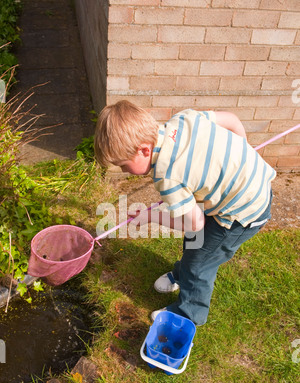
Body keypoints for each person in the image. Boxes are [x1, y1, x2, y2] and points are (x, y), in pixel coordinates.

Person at [94, 100, 276, 326]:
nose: (124, 172)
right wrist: (242, 152)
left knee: (200, 262)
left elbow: (195, 224)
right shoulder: (183, 120)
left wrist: (150, 217)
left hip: (242, 212)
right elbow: (232, 119)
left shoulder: (168, 176)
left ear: (144, 149)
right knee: (195, 244)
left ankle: (189, 314)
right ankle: (182, 274)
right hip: (248, 187)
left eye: (123, 165)